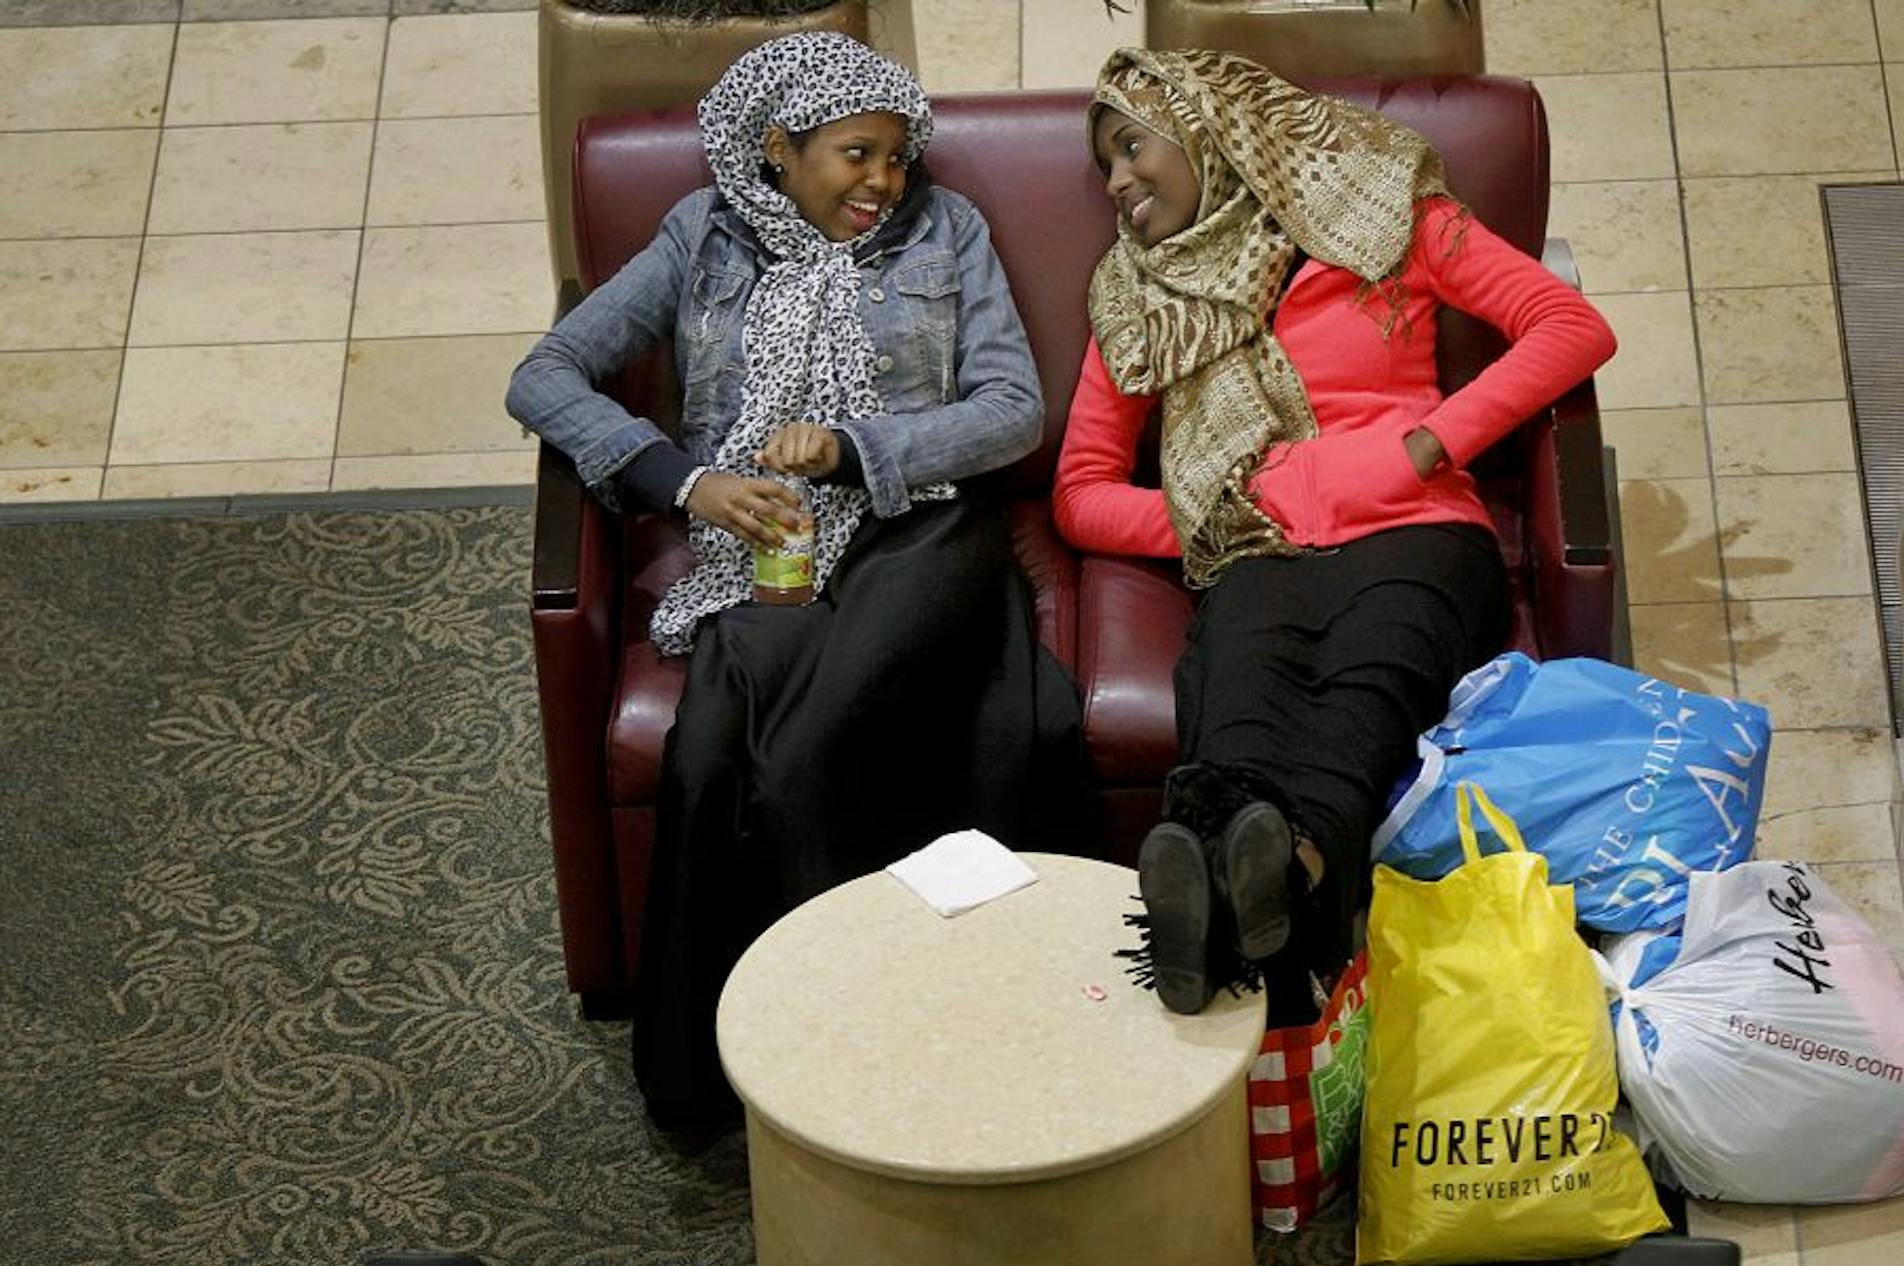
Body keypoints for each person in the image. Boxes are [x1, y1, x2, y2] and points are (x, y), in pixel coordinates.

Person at [507, 33, 1077, 1131]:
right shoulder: (701, 238)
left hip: (920, 535)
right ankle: (705, 1075)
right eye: (858, 155)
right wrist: (688, 481)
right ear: (778, 147)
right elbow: (545, 374)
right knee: (709, 750)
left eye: (900, 159)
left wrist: (860, 446)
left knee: (807, 748)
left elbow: (1013, 410)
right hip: (765, 561)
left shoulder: (947, 233)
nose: (885, 183)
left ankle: (853, 1040)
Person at [1055, 49, 1617, 1025]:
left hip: (1415, 530)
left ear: (1205, 127)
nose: (1118, 181)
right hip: (1252, 553)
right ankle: (1282, 926)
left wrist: (1418, 447)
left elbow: (1567, 326)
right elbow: (1081, 492)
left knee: (1366, 685)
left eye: (1133, 145)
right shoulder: (1137, 296)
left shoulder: (1378, 218)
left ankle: (1226, 948)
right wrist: (1218, 513)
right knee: (1237, 711)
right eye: (1104, 165)